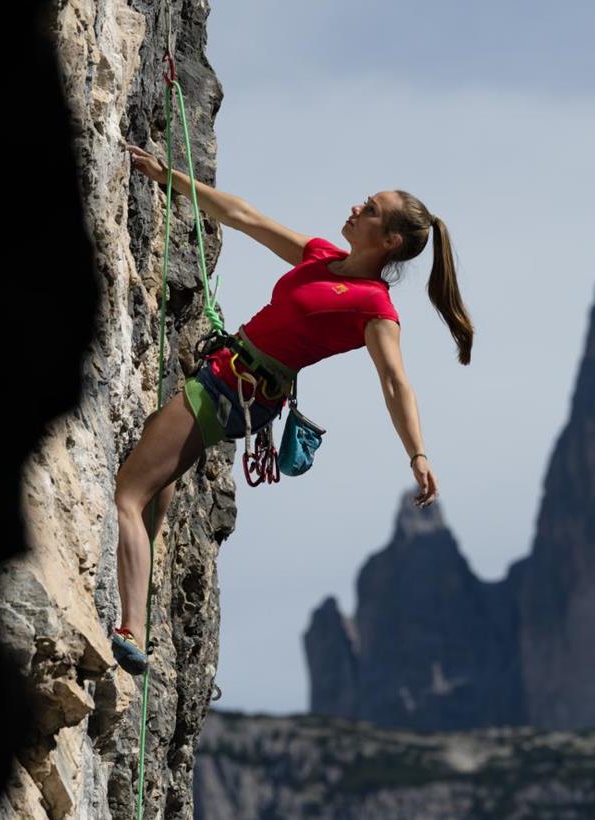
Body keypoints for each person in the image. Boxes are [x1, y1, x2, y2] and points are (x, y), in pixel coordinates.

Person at [109, 144, 474, 675]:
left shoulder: (375, 307)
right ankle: (139, 573)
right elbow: (247, 217)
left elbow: (396, 382)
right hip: (231, 378)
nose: (356, 207)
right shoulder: (321, 256)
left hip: (234, 388)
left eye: (370, 209)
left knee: (127, 493)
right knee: (155, 464)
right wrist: (171, 179)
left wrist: (417, 453)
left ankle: (132, 628)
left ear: (390, 240)